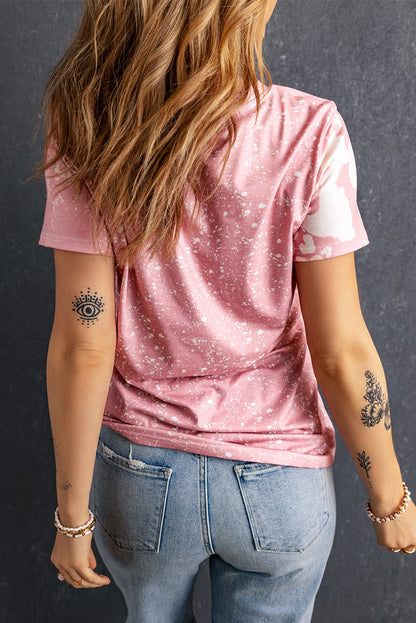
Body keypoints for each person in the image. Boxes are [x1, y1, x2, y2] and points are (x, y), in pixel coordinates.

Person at [35, 1, 416, 622]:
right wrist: (390, 497)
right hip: (279, 482)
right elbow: (341, 350)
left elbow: (85, 344)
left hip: (142, 477)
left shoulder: (89, 129)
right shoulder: (310, 132)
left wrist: (72, 518)